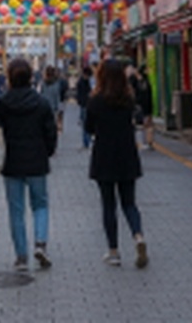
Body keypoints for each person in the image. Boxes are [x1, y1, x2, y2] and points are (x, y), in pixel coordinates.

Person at [85, 58, 148, 269]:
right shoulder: (128, 99)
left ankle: (113, 252)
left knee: (108, 205)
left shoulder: (96, 101)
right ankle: (138, 236)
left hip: (104, 156)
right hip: (127, 155)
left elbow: (89, 127)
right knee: (129, 203)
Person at [0, 57, 57, 272]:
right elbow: (50, 133)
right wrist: (47, 152)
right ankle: (40, 243)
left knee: (16, 210)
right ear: (32, 77)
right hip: (37, 161)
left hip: (12, 162)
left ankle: (21, 256)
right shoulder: (41, 103)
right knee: (40, 204)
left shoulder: (3, 104)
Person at [132, 65, 154, 150]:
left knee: (141, 126)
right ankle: (147, 142)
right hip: (144, 107)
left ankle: (143, 143)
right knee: (146, 125)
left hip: (140, 107)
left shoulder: (139, 82)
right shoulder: (145, 82)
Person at [75, 65, 93, 149]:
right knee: (85, 123)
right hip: (85, 104)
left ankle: (87, 140)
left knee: (86, 123)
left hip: (87, 104)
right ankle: (86, 141)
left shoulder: (83, 82)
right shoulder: (84, 82)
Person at [42, 65, 63, 132]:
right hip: (53, 109)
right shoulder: (56, 84)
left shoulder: (43, 84)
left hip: (43, 108)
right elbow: (57, 97)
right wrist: (59, 110)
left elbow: (41, 96)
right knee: (51, 128)